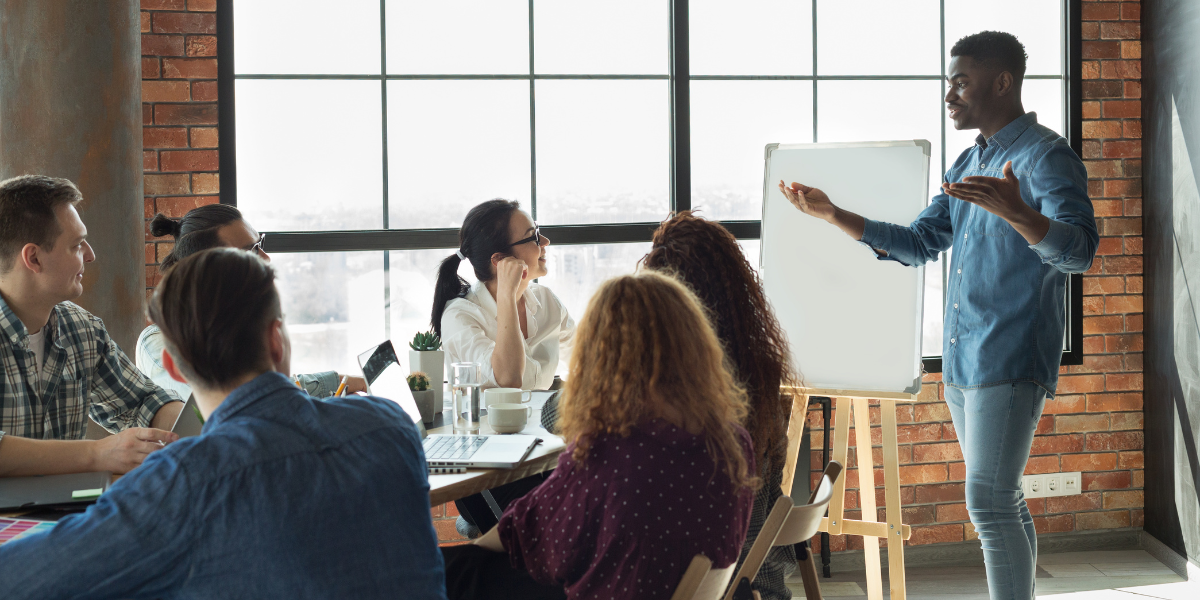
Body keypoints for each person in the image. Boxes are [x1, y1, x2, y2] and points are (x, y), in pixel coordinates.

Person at [779, 32, 1097, 600]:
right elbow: (921, 242)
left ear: (1002, 82)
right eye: (948, 82)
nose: (949, 94)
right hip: (963, 357)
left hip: (1012, 351)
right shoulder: (969, 159)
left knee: (990, 501)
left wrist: (1021, 214)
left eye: (960, 81)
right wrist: (832, 214)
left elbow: (1079, 252)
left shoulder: (1046, 155)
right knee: (1004, 498)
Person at [0, 248, 447, 599]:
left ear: (174, 368)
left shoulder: (181, 483)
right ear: (276, 340)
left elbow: (20, 579)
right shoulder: (391, 427)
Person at [441, 271, 758, 600]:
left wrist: (468, 552)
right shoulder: (733, 443)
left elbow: (525, 537)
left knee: (448, 571)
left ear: (601, 357)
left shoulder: (609, 454)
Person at [641, 212, 800, 600]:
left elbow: (558, 416)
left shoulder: (666, 379)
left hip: (699, 585)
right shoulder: (759, 367)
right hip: (757, 578)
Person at [0, 175, 182, 477]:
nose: (90, 255)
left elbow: (142, 403)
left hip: (65, 518)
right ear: (33, 257)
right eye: (76, 245)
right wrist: (97, 453)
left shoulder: (81, 329)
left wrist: (201, 429)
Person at [432, 199, 575, 534]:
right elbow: (507, 377)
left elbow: (588, 352)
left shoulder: (546, 302)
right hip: (490, 473)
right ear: (500, 261)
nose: (545, 243)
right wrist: (508, 295)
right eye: (533, 237)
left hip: (540, 454)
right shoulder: (461, 315)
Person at [138, 204, 365, 400]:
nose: (266, 257)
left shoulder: (237, 321)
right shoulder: (158, 342)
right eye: (252, 250)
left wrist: (350, 383)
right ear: (208, 267)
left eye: (261, 243)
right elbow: (250, 393)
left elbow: (272, 387)